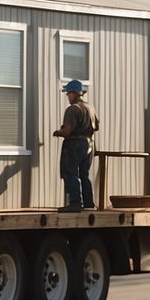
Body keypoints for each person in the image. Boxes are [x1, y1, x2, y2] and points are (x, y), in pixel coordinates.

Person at [52, 79, 99, 211]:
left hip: (74, 144)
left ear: (73, 93)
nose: (67, 96)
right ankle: (89, 203)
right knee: (84, 174)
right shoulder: (90, 108)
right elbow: (96, 128)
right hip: (89, 144)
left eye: (68, 93)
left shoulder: (72, 109)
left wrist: (57, 132)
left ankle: (75, 203)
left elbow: (67, 131)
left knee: (70, 173)